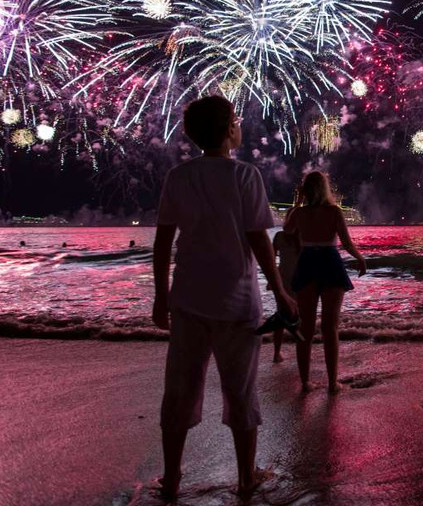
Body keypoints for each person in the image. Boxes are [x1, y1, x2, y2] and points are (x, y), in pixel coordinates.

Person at [152, 95, 297, 498]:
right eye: (236, 119)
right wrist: (280, 290)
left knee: (180, 390)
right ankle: (246, 477)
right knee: (241, 390)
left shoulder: (179, 176)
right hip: (237, 301)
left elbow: (163, 243)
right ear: (229, 129)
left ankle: (172, 478)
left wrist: (160, 296)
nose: (240, 124)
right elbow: (259, 240)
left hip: (188, 299)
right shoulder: (245, 175)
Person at [283, 171, 367, 393]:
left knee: (306, 327)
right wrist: (360, 258)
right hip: (330, 262)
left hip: (308, 262)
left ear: (306, 190)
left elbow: (286, 229)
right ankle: (332, 383)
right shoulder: (334, 212)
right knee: (331, 327)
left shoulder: (299, 213)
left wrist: (297, 202)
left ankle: (305, 382)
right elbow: (347, 243)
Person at [270, 231, 300, 363]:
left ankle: (277, 352)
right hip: (300, 278)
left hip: (283, 279)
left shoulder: (279, 236)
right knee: (300, 316)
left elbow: (270, 258)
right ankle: (302, 351)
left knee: (281, 315)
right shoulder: (303, 235)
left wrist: (272, 278)